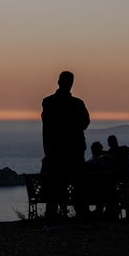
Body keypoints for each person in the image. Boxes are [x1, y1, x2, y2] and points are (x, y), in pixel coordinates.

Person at [41, 70, 91, 221]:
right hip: (75, 150)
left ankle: (52, 216)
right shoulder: (77, 103)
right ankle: (81, 215)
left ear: (58, 82)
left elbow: (47, 126)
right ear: (71, 84)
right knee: (78, 184)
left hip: (56, 151)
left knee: (56, 185)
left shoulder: (48, 102)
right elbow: (85, 123)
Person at [106, 135, 129, 219]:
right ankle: (128, 216)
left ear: (109, 144)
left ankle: (115, 214)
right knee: (127, 195)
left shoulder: (108, 153)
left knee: (114, 196)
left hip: (113, 179)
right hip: (125, 178)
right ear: (116, 141)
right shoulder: (124, 149)